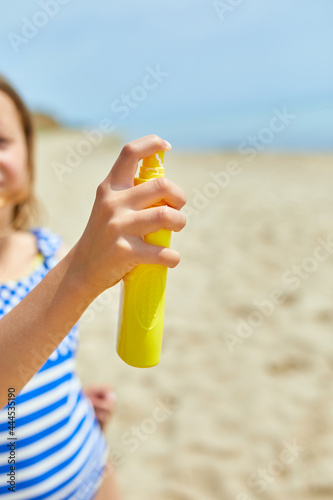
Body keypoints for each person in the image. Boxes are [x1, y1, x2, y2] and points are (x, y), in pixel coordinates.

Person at [0, 75, 186, 499]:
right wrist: (81, 273)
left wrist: (63, 397)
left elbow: (30, 358)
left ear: (28, 155)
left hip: (92, 469)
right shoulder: (70, 267)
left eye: (1, 140)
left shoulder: (49, 252)